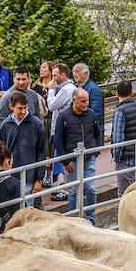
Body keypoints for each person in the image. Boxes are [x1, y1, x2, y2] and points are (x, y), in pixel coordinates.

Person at [55, 88, 101, 222]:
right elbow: (58, 140)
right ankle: (74, 219)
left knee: (91, 188)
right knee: (74, 190)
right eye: (83, 101)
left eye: (87, 100)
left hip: (88, 158)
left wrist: (95, 152)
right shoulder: (63, 116)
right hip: (71, 161)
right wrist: (65, 161)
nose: (86, 103)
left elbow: (97, 133)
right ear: (74, 101)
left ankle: (91, 218)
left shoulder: (91, 114)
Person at [0, 90, 47, 206]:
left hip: (29, 176)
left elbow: (42, 153)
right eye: (20, 108)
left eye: (25, 107)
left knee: (26, 213)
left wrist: (39, 179)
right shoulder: (4, 126)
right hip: (9, 177)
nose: (23, 111)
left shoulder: (37, 124)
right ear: (11, 107)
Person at [110, 80, 136, 196]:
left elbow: (118, 138)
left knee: (124, 192)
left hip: (124, 157)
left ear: (117, 94)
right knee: (134, 187)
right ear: (132, 93)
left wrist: (116, 157)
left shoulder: (120, 111)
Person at [45, 63, 77, 196]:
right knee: (59, 156)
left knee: (63, 157)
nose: (52, 79)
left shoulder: (66, 89)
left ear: (63, 75)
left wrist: (51, 91)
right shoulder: (63, 88)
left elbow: (52, 106)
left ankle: (66, 189)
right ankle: (63, 187)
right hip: (60, 129)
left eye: (55, 75)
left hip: (64, 130)